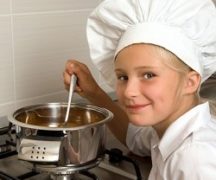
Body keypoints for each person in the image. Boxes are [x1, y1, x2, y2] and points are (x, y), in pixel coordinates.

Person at [63, 0, 216, 179]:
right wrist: (93, 92)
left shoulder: (195, 159)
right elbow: (134, 138)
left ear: (190, 82)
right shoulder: (171, 129)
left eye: (149, 75)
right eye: (123, 77)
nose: (129, 91)